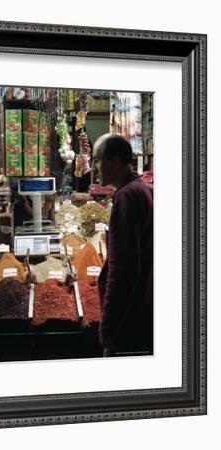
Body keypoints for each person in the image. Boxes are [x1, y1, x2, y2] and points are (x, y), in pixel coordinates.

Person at [94, 133, 153, 357]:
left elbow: (124, 269)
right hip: (144, 311)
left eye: (98, 160)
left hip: (129, 320)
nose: (95, 166)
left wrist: (108, 326)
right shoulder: (143, 188)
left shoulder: (126, 197)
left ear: (115, 162)